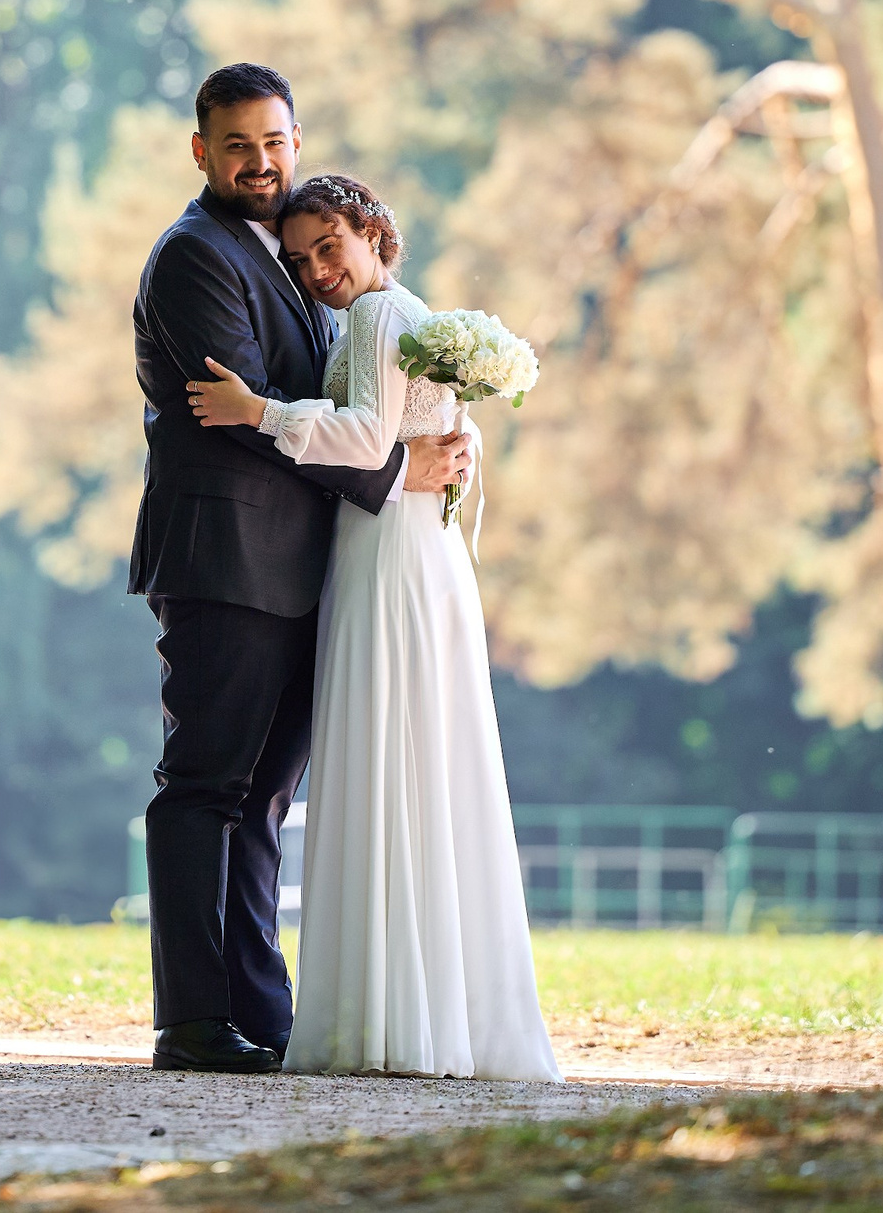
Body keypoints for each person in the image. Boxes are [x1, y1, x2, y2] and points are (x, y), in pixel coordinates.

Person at [130, 63, 473, 1074]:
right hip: (227, 557)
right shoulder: (194, 258)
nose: (259, 161)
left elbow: (345, 387)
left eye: (273, 142)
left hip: (303, 566)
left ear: (295, 139)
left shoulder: (291, 256)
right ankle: (190, 1022)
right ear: (202, 152)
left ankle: (261, 1013)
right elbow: (240, 416)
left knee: (264, 796)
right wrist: (397, 469)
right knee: (202, 785)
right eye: (236, 145)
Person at [187, 171, 560, 1081]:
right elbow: (422, 440)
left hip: (390, 554)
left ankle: (389, 1016)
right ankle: (423, 1010)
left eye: (331, 247)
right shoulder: (409, 314)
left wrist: (257, 410)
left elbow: (363, 437)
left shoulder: (377, 318)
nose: (318, 269)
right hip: (411, 552)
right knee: (417, 766)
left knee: (390, 760)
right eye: (302, 256)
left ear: (372, 232)